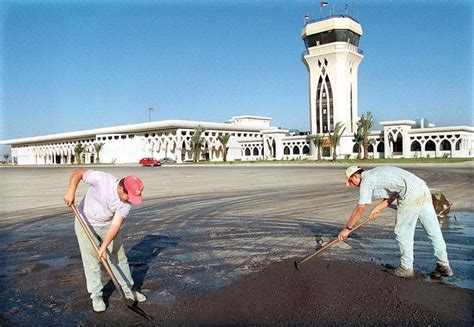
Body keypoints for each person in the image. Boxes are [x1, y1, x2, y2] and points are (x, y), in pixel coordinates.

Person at [339, 166, 453, 279]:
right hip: (423, 188)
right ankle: (444, 265)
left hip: (410, 194)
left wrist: (347, 229)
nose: (352, 185)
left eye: (351, 181)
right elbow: (394, 192)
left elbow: (359, 209)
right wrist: (378, 208)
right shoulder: (375, 172)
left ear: (355, 176)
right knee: (433, 231)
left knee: (403, 232)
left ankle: (406, 268)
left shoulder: (366, 181)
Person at [64, 169, 146, 312]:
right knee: (92, 262)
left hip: (108, 225)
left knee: (119, 257)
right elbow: (78, 173)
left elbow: (115, 225)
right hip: (85, 222)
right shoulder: (102, 179)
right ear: (121, 188)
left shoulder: (126, 203)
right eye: (129, 196)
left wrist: (104, 246)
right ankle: (96, 296)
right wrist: (71, 192)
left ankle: (128, 290)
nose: (129, 200)